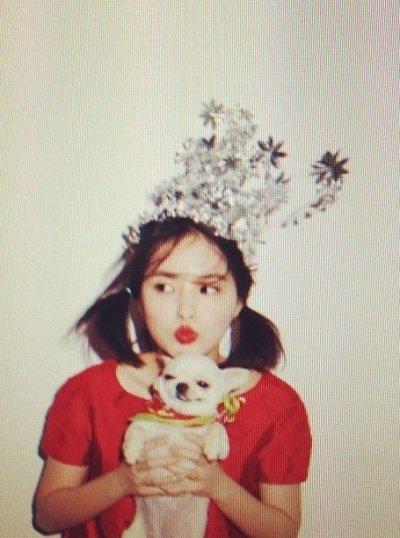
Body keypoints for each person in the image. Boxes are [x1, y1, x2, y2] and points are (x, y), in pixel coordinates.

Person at [34, 101, 346, 537]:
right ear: (137, 298)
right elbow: (47, 516)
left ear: (238, 301)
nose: (185, 310)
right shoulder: (89, 393)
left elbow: (283, 530)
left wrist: (217, 486)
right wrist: (123, 481)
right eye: (164, 287)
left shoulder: (276, 406)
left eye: (208, 288)